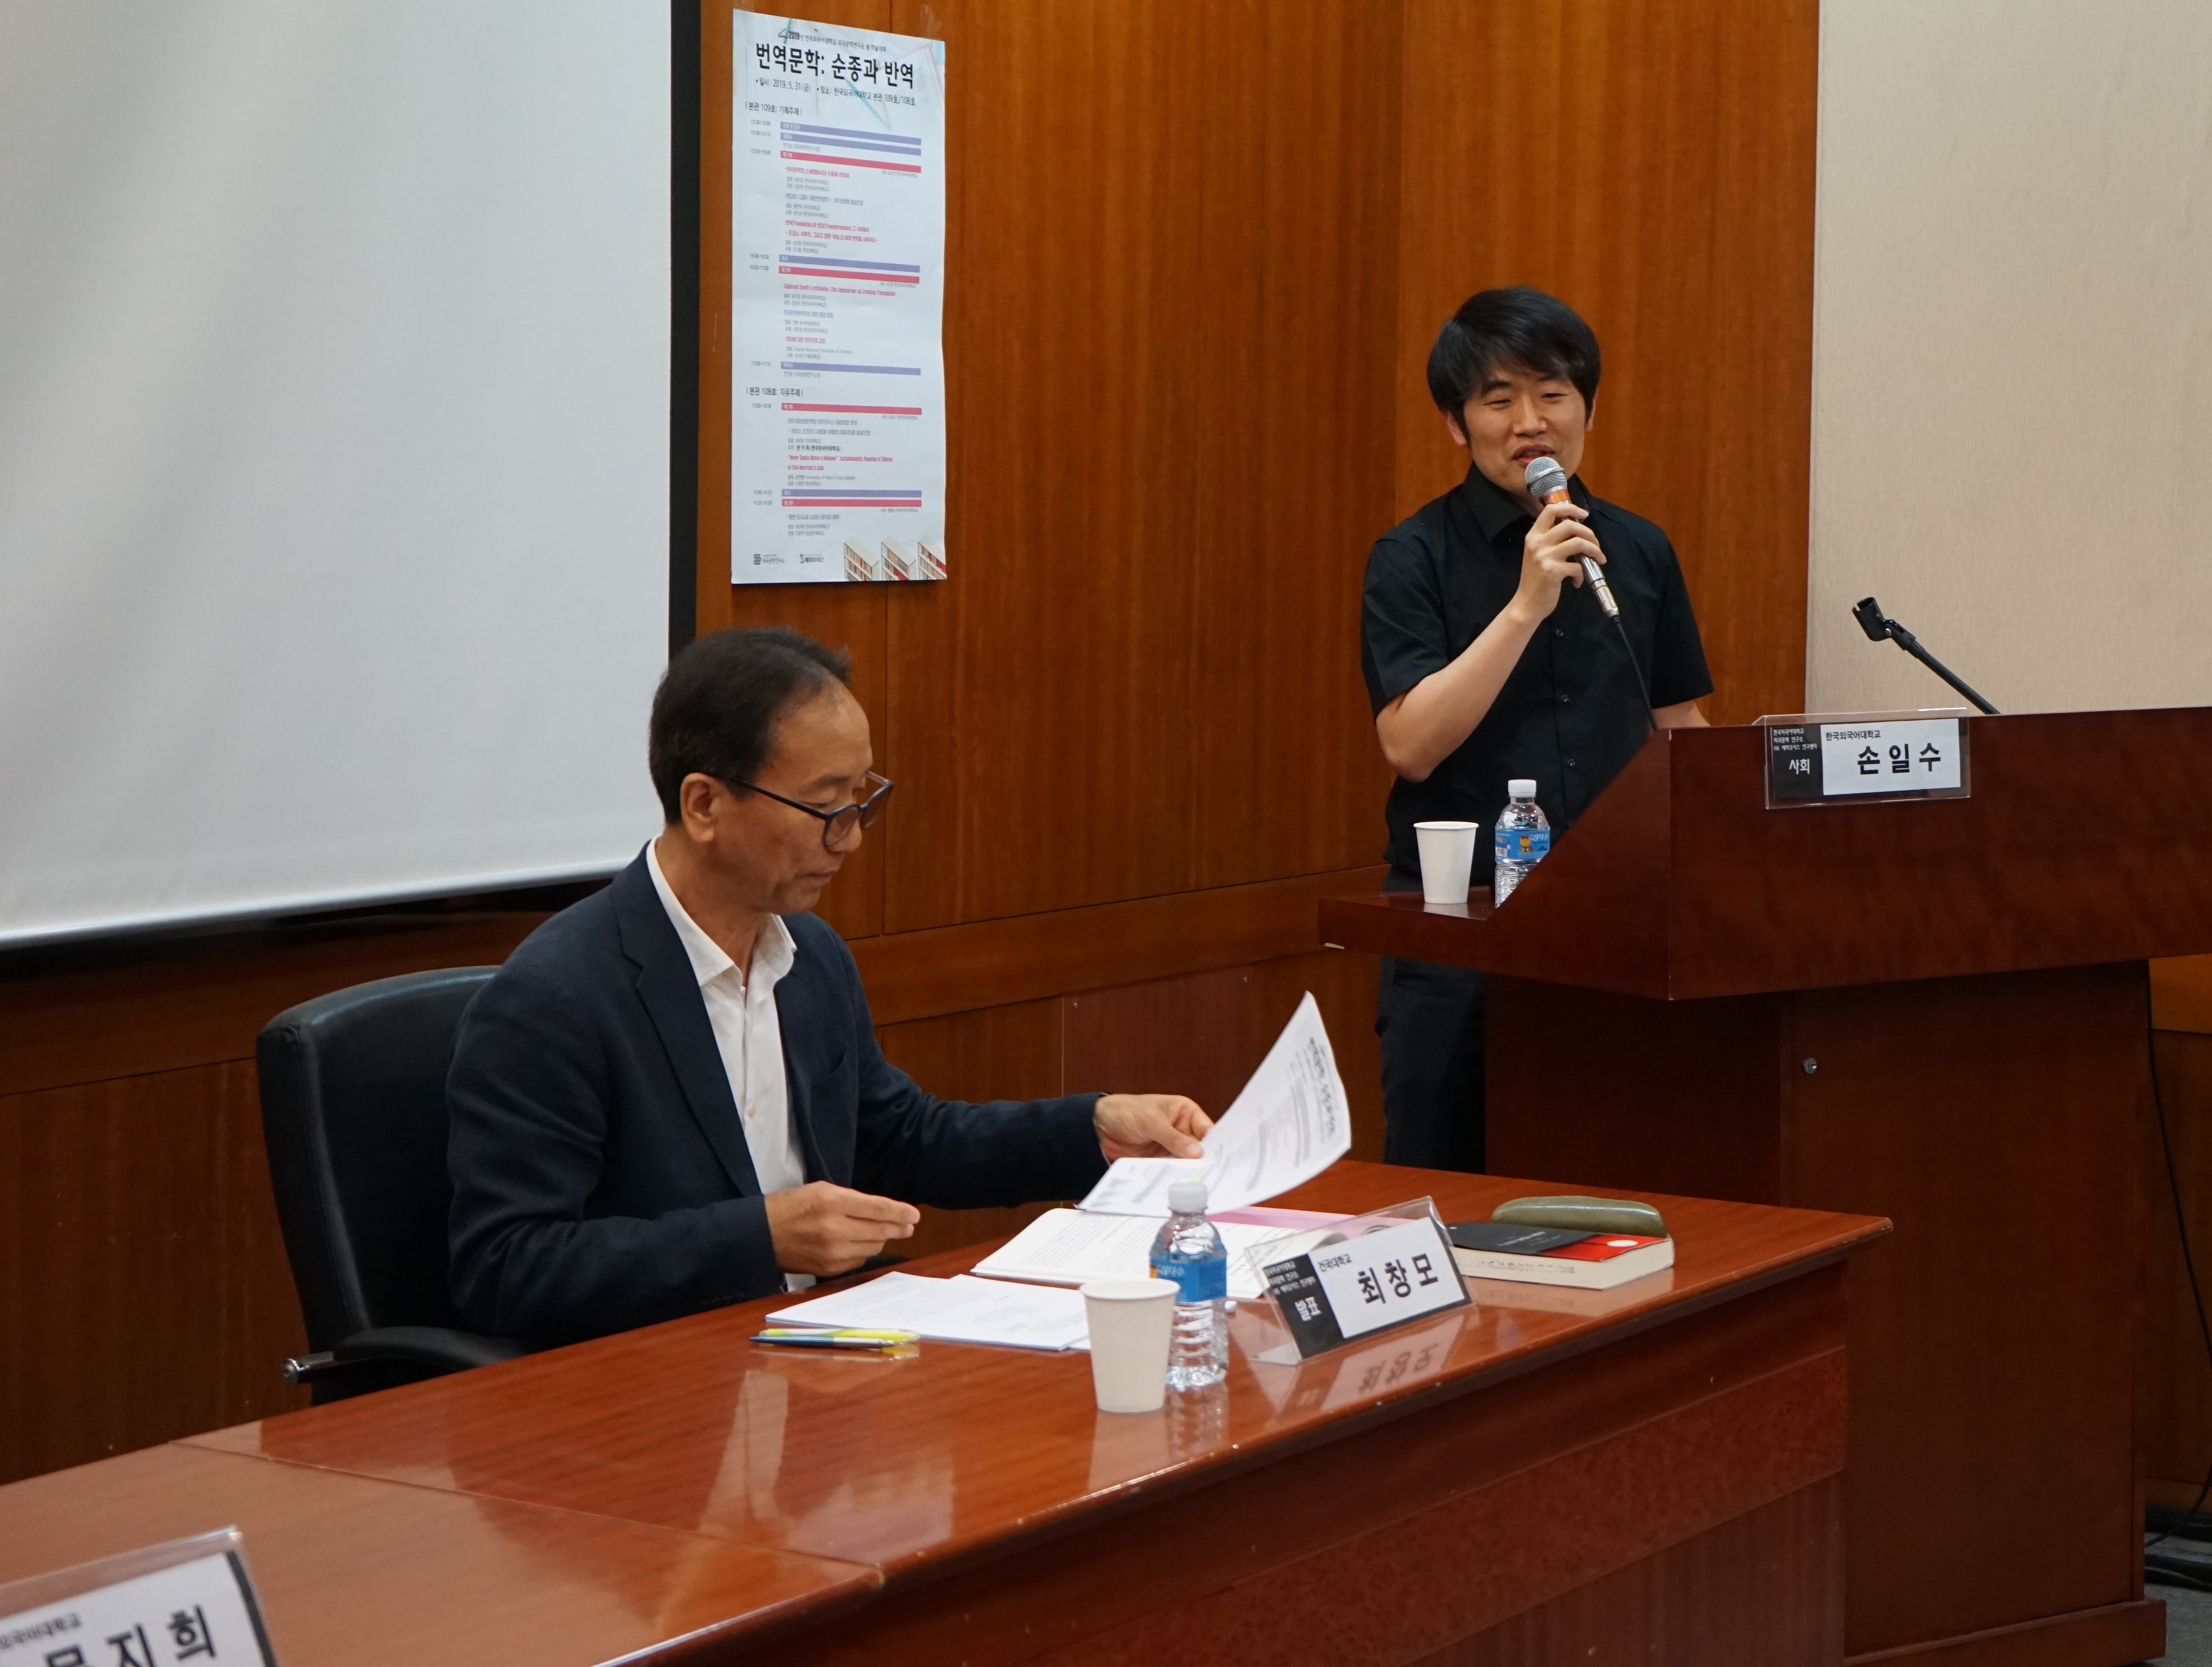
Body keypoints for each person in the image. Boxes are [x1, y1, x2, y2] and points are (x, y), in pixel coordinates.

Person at [447, 627, 1213, 1346]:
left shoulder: (809, 956)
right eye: (822, 809)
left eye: (860, 802)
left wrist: (1092, 1130)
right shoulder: (557, 996)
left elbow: (900, 1139)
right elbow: (507, 1266)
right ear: (704, 804)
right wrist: (760, 1237)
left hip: (819, 1356)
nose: (848, 839)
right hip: (659, 1374)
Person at [1357, 287, 1713, 1171]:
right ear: (1457, 424)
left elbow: (1680, 728)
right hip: (1459, 937)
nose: (1531, 422)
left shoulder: (1639, 549)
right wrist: (1525, 605)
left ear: (1589, 409)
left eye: (1553, 394)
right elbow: (1410, 745)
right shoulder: (1412, 557)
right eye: (1499, 399)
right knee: (1450, 1189)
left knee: (1612, 1185)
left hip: (1613, 930)